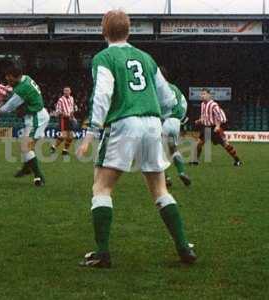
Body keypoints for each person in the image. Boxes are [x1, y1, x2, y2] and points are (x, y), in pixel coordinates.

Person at [77, 10, 197, 268]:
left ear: (103, 31)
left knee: (101, 187)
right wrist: (161, 122)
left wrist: (92, 132)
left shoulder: (104, 57)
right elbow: (168, 99)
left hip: (123, 123)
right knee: (160, 189)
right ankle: (183, 246)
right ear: (129, 31)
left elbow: (102, 95)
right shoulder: (146, 58)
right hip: (153, 123)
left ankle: (102, 253)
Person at [0, 62, 50, 187]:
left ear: (15, 76)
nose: (7, 79)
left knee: (25, 147)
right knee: (27, 146)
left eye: (8, 76)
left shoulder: (22, 89)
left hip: (36, 118)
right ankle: (27, 168)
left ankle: (39, 177)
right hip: (37, 115)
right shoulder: (25, 78)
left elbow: (8, 108)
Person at [190, 88, 242, 166]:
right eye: (201, 94)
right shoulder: (202, 104)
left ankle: (237, 160)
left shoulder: (213, 105)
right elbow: (204, 116)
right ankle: (195, 161)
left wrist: (217, 126)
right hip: (206, 128)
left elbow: (221, 116)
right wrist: (199, 120)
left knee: (225, 144)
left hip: (214, 128)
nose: (202, 96)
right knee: (199, 143)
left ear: (209, 95)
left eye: (204, 94)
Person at [161, 79, 191, 187]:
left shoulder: (159, 86)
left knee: (156, 151)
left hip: (164, 121)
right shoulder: (175, 88)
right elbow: (184, 103)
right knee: (173, 149)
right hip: (175, 122)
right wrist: (181, 119)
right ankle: (181, 172)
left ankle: (166, 178)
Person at [50, 86, 77, 155]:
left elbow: (71, 109)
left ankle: (65, 150)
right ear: (63, 92)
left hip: (70, 119)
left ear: (70, 91)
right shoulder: (60, 100)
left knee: (71, 136)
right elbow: (58, 111)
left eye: (68, 90)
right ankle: (54, 147)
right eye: (65, 91)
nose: (67, 92)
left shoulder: (72, 98)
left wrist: (73, 117)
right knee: (64, 135)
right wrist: (65, 114)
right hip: (63, 119)